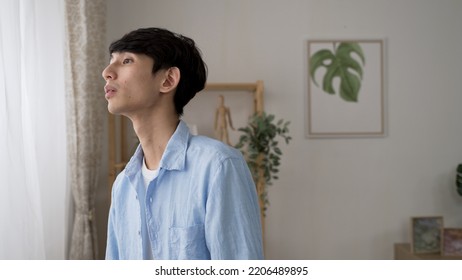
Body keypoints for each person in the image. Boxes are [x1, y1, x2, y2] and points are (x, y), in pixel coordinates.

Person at [102, 27, 263, 260]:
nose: (107, 72)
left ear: (168, 80)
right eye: (110, 62)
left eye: (126, 61)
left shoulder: (218, 166)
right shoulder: (123, 185)